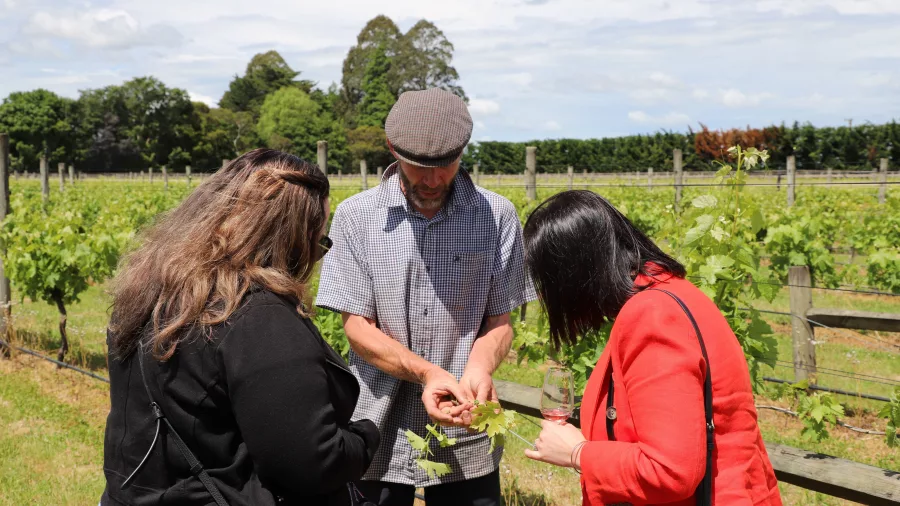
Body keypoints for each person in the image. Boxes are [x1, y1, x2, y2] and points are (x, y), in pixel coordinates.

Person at [100, 149, 380, 506]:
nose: (315, 256)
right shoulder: (260, 320)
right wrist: (364, 437)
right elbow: (311, 465)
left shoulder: (154, 290)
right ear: (291, 239)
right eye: (318, 241)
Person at [316, 88, 535, 506]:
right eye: (419, 168)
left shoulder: (497, 215)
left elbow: (499, 322)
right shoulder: (356, 217)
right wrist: (427, 373)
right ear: (392, 149)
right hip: (376, 425)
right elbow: (357, 327)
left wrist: (479, 367)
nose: (433, 181)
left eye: (446, 166)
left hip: (466, 426)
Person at [521, 190, 782, 506]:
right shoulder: (674, 291)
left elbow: (670, 471)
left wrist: (579, 454)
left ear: (573, 274)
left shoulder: (653, 316)